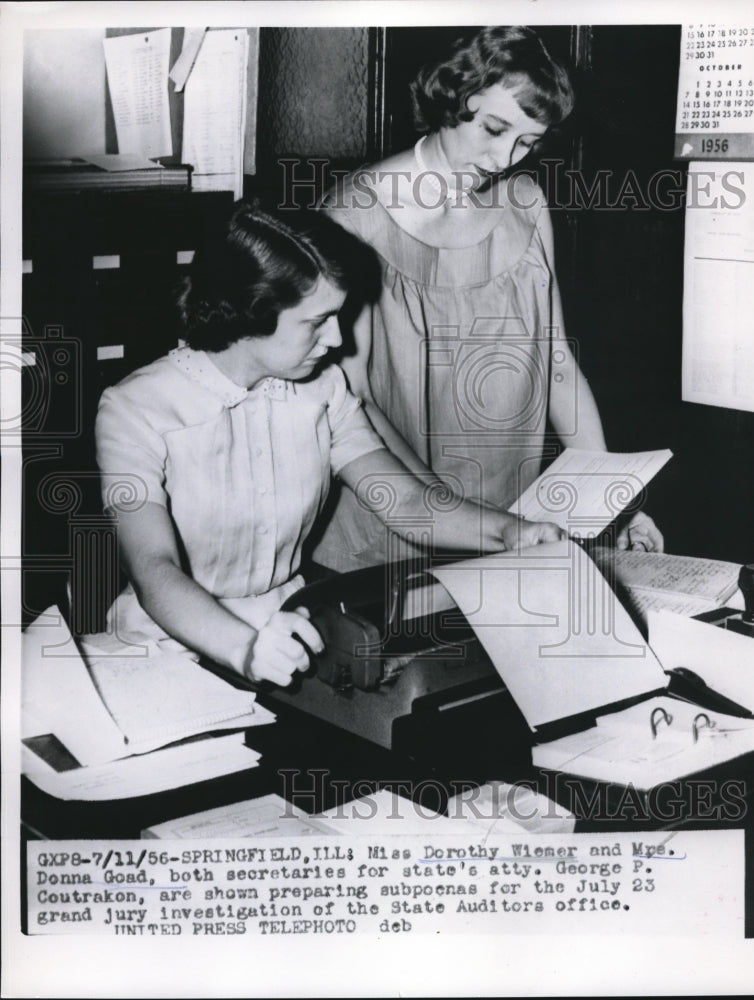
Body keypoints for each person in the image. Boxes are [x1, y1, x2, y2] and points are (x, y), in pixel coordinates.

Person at [95, 201, 563, 687]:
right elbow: (153, 566)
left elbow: (404, 501)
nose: (336, 337)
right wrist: (245, 649)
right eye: (316, 322)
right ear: (253, 310)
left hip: (292, 631)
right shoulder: (135, 409)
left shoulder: (323, 388)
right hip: (166, 647)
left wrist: (511, 532)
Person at [310, 25, 663, 574]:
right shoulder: (353, 216)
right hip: (399, 528)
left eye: (527, 141)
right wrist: (458, 516)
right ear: (453, 97)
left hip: (516, 516)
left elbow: (558, 366)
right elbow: (354, 399)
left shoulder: (525, 203)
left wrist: (615, 502)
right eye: (495, 129)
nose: (505, 158)